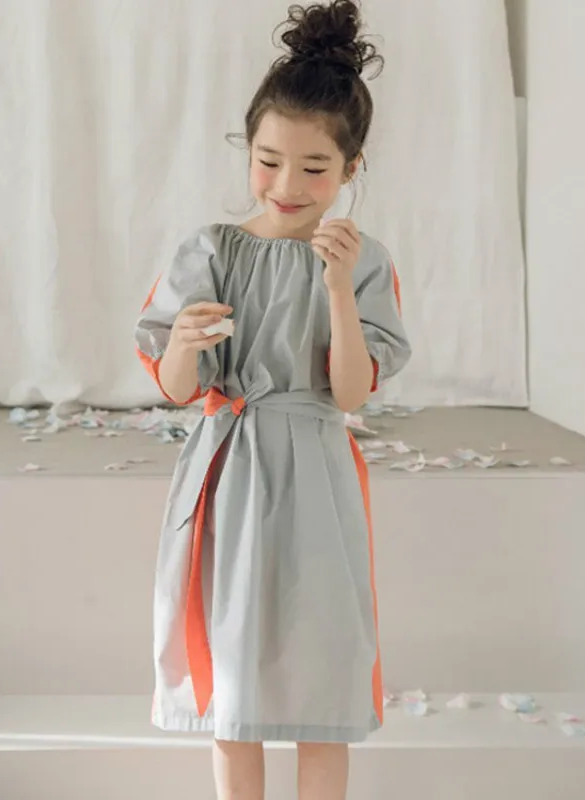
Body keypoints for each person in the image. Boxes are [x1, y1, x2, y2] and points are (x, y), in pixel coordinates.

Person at [135, 2, 411, 797]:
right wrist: (185, 345)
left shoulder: (363, 261)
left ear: (351, 168)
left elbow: (351, 391)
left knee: (321, 680)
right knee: (234, 686)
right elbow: (179, 389)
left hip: (316, 478)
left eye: (315, 167)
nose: (288, 186)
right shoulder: (211, 251)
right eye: (268, 161)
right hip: (227, 475)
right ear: (248, 149)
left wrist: (336, 287)